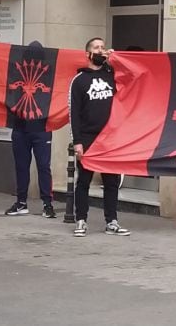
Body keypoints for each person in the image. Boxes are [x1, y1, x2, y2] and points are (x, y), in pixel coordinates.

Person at [69, 37, 129, 237]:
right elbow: (74, 114)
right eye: (97, 48)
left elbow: (132, 78)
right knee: (84, 181)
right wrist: (77, 142)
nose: (101, 50)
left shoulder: (112, 75)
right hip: (87, 138)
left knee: (111, 182)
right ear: (88, 54)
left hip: (110, 138)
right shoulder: (79, 81)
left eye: (103, 47)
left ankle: (111, 221)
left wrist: (116, 60)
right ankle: (81, 220)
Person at [5, 41, 55, 218]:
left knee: (43, 166)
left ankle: (47, 203)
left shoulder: (50, 74)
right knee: (22, 166)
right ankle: (21, 202)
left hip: (42, 127)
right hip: (20, 127)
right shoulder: (15, 73)